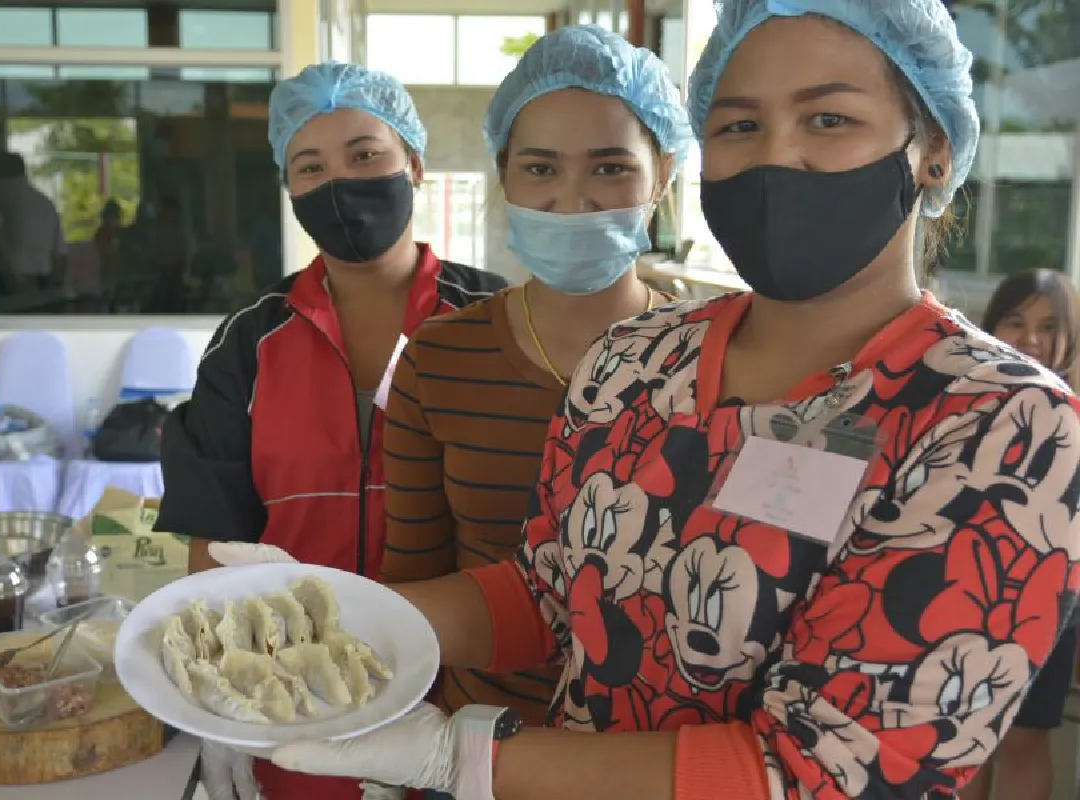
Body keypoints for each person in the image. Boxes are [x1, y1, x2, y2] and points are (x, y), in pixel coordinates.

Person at [209, 5, 1080, 799]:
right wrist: (336, 610)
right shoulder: (636, 361)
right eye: (740, 124)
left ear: (931, 150)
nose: (777, 154)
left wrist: (458, 758)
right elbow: (547, 594)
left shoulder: (1001, 425)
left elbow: (825, 773)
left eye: (828, 118)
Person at [156, 62, 507, 800]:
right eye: (309, 166)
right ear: (290, 190)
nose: (340, 183)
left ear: (414, 161)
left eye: (365, 155)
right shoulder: (249, 344)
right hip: (293, 702)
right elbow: (211, 535)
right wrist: (220, 705)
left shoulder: (496, 322)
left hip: (471, 705)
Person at [380, 25, 685, 731]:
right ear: (505, 175)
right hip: (476, 745)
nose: (573, 200)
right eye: (541, 169)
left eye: (610, 168)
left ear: (662, 174)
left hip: (648, 759)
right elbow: (414, 580)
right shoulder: (440, 360)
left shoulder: (716, 359)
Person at [959, 268, 1080, 800]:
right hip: (972, 590)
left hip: (1053, 603)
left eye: (1048, 326)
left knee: (1026, 741)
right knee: (966, 739)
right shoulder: (969, 399)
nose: (1030, 337)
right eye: (1016, 321)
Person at [0, 151, 66, 293]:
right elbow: (59, 251)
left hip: (12, 277)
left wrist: (17, 277)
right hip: (44, 274)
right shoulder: (46, 203)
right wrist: (57, 281)